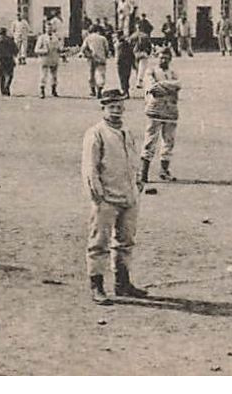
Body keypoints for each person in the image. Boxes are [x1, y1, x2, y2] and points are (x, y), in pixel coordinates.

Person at [81, 88, 148, 304]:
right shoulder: (96, 133)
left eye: (119, 107)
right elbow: (90, 167)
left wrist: (138, 183)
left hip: (128, 195)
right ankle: (97, 286)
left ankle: (122, 283)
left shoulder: (127, 132)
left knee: (126, 241)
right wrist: (97, 194)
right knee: (99, 242)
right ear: (103, 109)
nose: (116, 112)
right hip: (106, 197)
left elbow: (134, 161)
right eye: (111, 107)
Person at [140, 50, 180, 184]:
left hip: (171, 112)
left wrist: (162, 85)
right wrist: (169, 88)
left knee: (169, 142)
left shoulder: (173, 73)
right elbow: (152, 87)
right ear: (157, 58)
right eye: (161, 57)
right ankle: (143, 173)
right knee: (150, 141)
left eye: (167, 58)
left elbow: (178, 84)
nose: (164, 60)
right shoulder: (151, 71)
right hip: (154, 110)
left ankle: (164, 171)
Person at [81, 20, 110, 98]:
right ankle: (99, 90)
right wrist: (106, 56)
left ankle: (92, 90)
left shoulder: (88, 38)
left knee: (91, 74)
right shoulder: (103, 38)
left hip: (91, 59)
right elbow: (107, 49)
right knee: (100, 74)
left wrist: (88, 55)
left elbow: (83, 49)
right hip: (101, 58)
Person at [0, 27, 18, 96]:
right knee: (10, 75)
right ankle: (7, 86)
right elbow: (16, 50)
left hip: (0, 60)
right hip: (9, 59)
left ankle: (3, 90)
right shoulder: (10, 40)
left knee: (1, 76)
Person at [36, 26, 61, 97]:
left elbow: (59, 47)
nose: (49, 30)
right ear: (45, 29)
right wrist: (44, 51)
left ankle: (54, 90)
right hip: (45, 59)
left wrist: (60, 50)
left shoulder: (55, 37)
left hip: (54, 59)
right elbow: (36, 49)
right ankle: (42, 90)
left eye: (50, 28)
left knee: (54, 76)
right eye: (47, 28)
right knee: (43, 75)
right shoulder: (42, 38)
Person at [115, 28, 137, 96]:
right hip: (128, 63)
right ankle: (126, 91)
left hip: (122, 63)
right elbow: (132, 54)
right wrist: (133, 63)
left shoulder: (120, 44)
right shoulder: (127, 43)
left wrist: (117, 61)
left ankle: (125, 91)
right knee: (126, 77)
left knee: (122, 77)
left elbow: (119, 55)